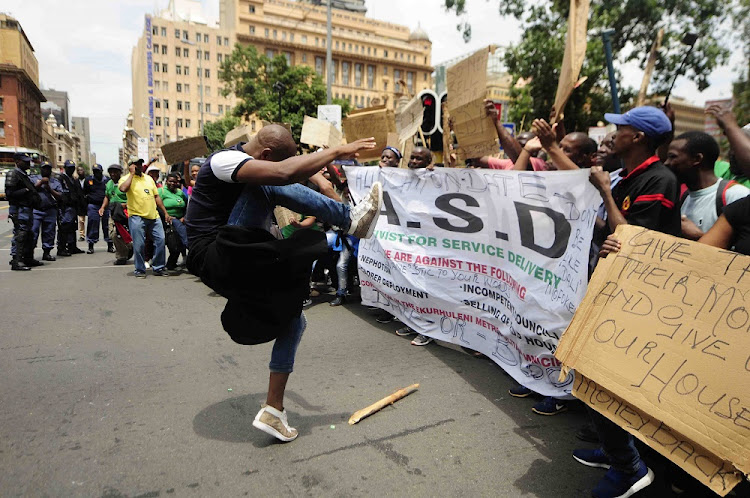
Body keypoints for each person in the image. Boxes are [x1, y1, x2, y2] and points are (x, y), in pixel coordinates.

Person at [185, 125, 382, 443]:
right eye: (278, 162)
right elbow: (281, 174)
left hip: (242, 255)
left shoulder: (250, 163)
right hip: (214, 252)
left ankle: (273, 411)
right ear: (264, 155)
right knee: (267, 184)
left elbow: (288, 170)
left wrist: (318, 176)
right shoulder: (222, 161)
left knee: (295, 320)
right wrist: (333, 152)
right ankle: (350, 219)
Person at [576, 105, 677, 498]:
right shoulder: (631, 177)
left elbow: (636, 242)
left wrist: (604, 191)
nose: (612, 134)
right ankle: (615, 448)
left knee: (598, 376)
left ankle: (629, 467)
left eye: (620, 128)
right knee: (600, 380)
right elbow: (612, 228)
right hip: (612, 290)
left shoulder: (659, 179)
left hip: (635, 300)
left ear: (637, 137)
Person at [665, 131, 750, 240]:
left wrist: (699, 236)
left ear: (697, 159)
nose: (667, 163)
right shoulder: (684, 197)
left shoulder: (735, 194)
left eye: (673, 157)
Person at [393, 147, 435, 346]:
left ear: (428, 162)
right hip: (406, 242)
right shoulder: (401, 178)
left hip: (426, 245)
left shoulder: (434, 179)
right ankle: (413, 323)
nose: (414, 161)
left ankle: (427, 329)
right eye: (413, 157)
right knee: (409, 285)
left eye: (420, 159)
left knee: (422, 288)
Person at [119, 156, 171, 278]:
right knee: (139, 244)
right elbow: (123, 189)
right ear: (131, 166)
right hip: (136, 217)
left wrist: (165, 212)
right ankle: (140, 269)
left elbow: (156, 197)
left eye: (140, 164)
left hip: (154, 216)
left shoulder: (148, 179)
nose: (139, 166)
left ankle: (158, 267)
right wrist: (131, 174)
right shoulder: (126, 179)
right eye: (136, 164)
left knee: (160, 240)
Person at [5, 153, 42, 271]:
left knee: (29, 235)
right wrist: (25, 190)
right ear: (17, 161)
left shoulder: (24, 175)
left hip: (27, 209)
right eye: (24, 161)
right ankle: (17, 261)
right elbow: (9, 194)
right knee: (20, 235)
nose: (28, 163)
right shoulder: (13, 174)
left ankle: (27, 258)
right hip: (19, 209)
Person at [705, 103, 750, 186]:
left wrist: (730, 125)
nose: (733, 153)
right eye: (733, 146)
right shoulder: (717, 168)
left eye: (741, 148)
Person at [29, 162, 62, 262]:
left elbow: (60, 196)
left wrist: (49, 188)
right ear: (40, 169)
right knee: (33, 232)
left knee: (49, 232)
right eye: (44, 168)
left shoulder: (55, 181)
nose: (46, 170)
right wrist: (40, 183)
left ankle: (47, 253)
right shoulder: (33, 178)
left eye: (48, 169)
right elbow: (30, 190)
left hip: (50, 210)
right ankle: (30, 255)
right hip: (36, 210)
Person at [99, 163, 132, 265]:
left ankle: (130, 248)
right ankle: (121, 255)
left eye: (115, 172)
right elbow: (107, 196)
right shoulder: (109, 184)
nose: (113, 174)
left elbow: (134, 197)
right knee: (113, 234)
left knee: (127, 233)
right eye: (111, 172)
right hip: (114, 212)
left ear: (120, 173)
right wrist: (103, 207)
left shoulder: (125, 183)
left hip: (126, 212)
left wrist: (125, 204)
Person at [158, 172, 189, 270]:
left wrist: (184, 217)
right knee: (176, 243)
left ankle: (172, 264)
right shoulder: (161, 191)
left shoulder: (180, 192)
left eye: (175, 182)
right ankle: (190, 246)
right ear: (166, 181)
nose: (173, 183)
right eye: (170, 181)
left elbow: (186, 205)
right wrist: (166, 216)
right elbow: (157, 206)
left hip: (181, 220)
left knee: (178, 243)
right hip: (167, 220)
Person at [57, 160, 86, 257]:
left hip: (73, 206)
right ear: (65, 168)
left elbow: (79, 193)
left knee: (72, 227)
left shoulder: (73, 179)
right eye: (69, 168)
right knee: (64, 227)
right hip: (65, 207)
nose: (71, 169)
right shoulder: (61, 178)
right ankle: (61, 248)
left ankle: (72, 246)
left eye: (73, 168)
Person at [83, 164, 113, 254]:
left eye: (98, 171)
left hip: (106, 206)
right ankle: (91, 246)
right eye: (95, 171)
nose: (96, 173)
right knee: (92, 225)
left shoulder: (107, 180)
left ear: (101, 171)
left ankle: (110, 245)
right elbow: (84, 192)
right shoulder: (88, 180)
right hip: (93, 205)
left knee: (107, 226)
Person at [76, 164, 87, 241]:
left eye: (81, 170)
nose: (80, 172)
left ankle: (90, 234)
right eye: (79, 170)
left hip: (88, 202)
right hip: (80, 203)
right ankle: (82, 235)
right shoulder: (75, 181)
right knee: (81, 220)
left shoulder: (88, 180)